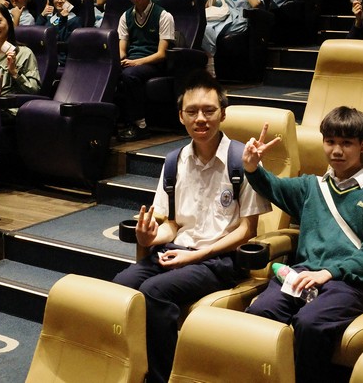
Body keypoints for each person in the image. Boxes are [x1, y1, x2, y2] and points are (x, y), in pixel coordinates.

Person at [112, 73, 270, 383]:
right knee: (121, 285)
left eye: (209, 111)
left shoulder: (243, 161)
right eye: (192, 111)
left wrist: (198, 255)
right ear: (180, 116)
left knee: (154, 292)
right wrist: (151, 236)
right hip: (176, 251)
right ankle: (133, 369)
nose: (201, 118)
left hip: (219, 260)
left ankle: (162, 378)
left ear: (223, 114)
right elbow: (172, 224)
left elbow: (247, 230)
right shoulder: (174, 161)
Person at [243, 107, 363, 383]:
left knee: (310, 323)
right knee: (259, 312)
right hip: (302, 274)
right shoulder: (311, 186)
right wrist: (253, 167)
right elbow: (272, 186)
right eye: (330, 142)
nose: (337, 150)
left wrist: (329, 272)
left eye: (346, 143)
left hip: (349, 282)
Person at [116, 0, 176, 141]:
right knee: (108, 72)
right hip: (132, 62)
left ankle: (140, 126)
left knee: (130, 75)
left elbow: (162, 54)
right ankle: (112, 122)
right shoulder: (125, 16)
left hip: (154, 63)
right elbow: (122, 50)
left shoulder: (163, 16)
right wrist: (114, 62)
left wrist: (136, 62)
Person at [203, 0, 264, 73]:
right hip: (225, 18)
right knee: (205, 28)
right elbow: (208, 5)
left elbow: (256, 4)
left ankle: (211, 67)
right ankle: (210, 61)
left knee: (209, 29)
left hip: (240, 22)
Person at [39, 0, 81, 64]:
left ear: (69, 1)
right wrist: (42, 15)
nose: (59, 1)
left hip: (61, 59)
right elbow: (36, 34)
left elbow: (62, 40)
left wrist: (63, 19)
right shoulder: (50, 17)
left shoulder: (75, 20)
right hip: (44, 55)